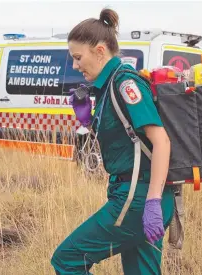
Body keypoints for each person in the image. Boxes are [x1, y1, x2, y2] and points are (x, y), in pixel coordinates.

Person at [51, 8, 175, 275]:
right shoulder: (107, 87)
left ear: (99, 51)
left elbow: (161, 140)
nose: (75, 65)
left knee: (67, 259)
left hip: (138, 197)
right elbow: (127, 139)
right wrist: (88, 120)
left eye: (77, 57)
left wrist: (152, 202)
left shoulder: (125, 83)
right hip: (139, 195)